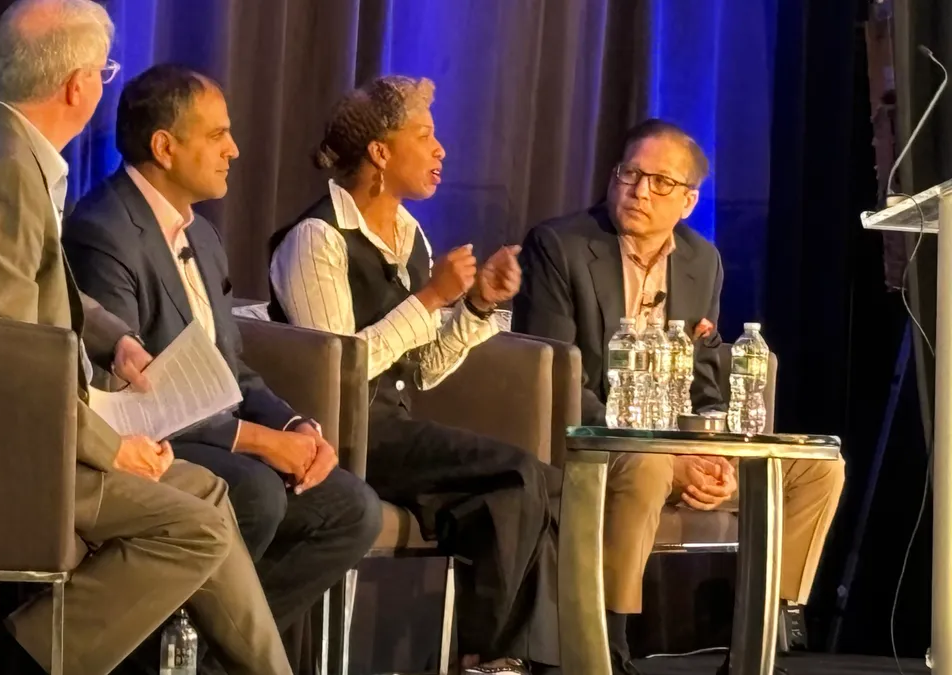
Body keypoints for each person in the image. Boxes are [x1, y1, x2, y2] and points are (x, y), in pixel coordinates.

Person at [0, 2, 291, 674]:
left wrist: (112, 339)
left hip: (30, 427)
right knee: (193, 528)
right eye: (102, 71)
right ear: (78, 85)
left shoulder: (5, 146)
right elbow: (7, 360)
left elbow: (38, 281)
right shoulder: (4, 171)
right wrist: (112, 447)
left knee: (208, 494)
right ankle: (2, 665)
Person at [62, 64, 382, 668]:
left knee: (351, 509)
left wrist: (293, 428)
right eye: (217, 135)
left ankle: (205, 659)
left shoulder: (203, 237)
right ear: (164, 146)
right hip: (148, 440)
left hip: (216, 434)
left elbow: (231, 368)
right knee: (255, 492)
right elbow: (130, 396)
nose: (234, 149)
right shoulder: (103, 230)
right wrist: (259, 443)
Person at [512, 119, 846, 674]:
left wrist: (712, 450)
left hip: (676, 444)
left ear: (688, 201)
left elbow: (708, 380)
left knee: (820, 469)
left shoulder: (701, 260)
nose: (639, 190)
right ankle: (604, 645)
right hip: (593, 443)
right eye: (630, 174)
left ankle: (760, 639)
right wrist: (668, 455)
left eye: (660, 183)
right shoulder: (559, 246)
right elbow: (556, 376)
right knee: (646, 466)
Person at [268, 75, 559, 675]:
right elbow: (338, 369)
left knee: (534, 489)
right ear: (379, 152)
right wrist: (429, 299)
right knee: (518, 473)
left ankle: (504, 658)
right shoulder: (316, 240)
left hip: (395, 427)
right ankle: (493, 659)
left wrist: (474, 306)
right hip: (338, 435)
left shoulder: (409, 236)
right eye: (423, 135)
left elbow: (420, 371)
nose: (440, 149)